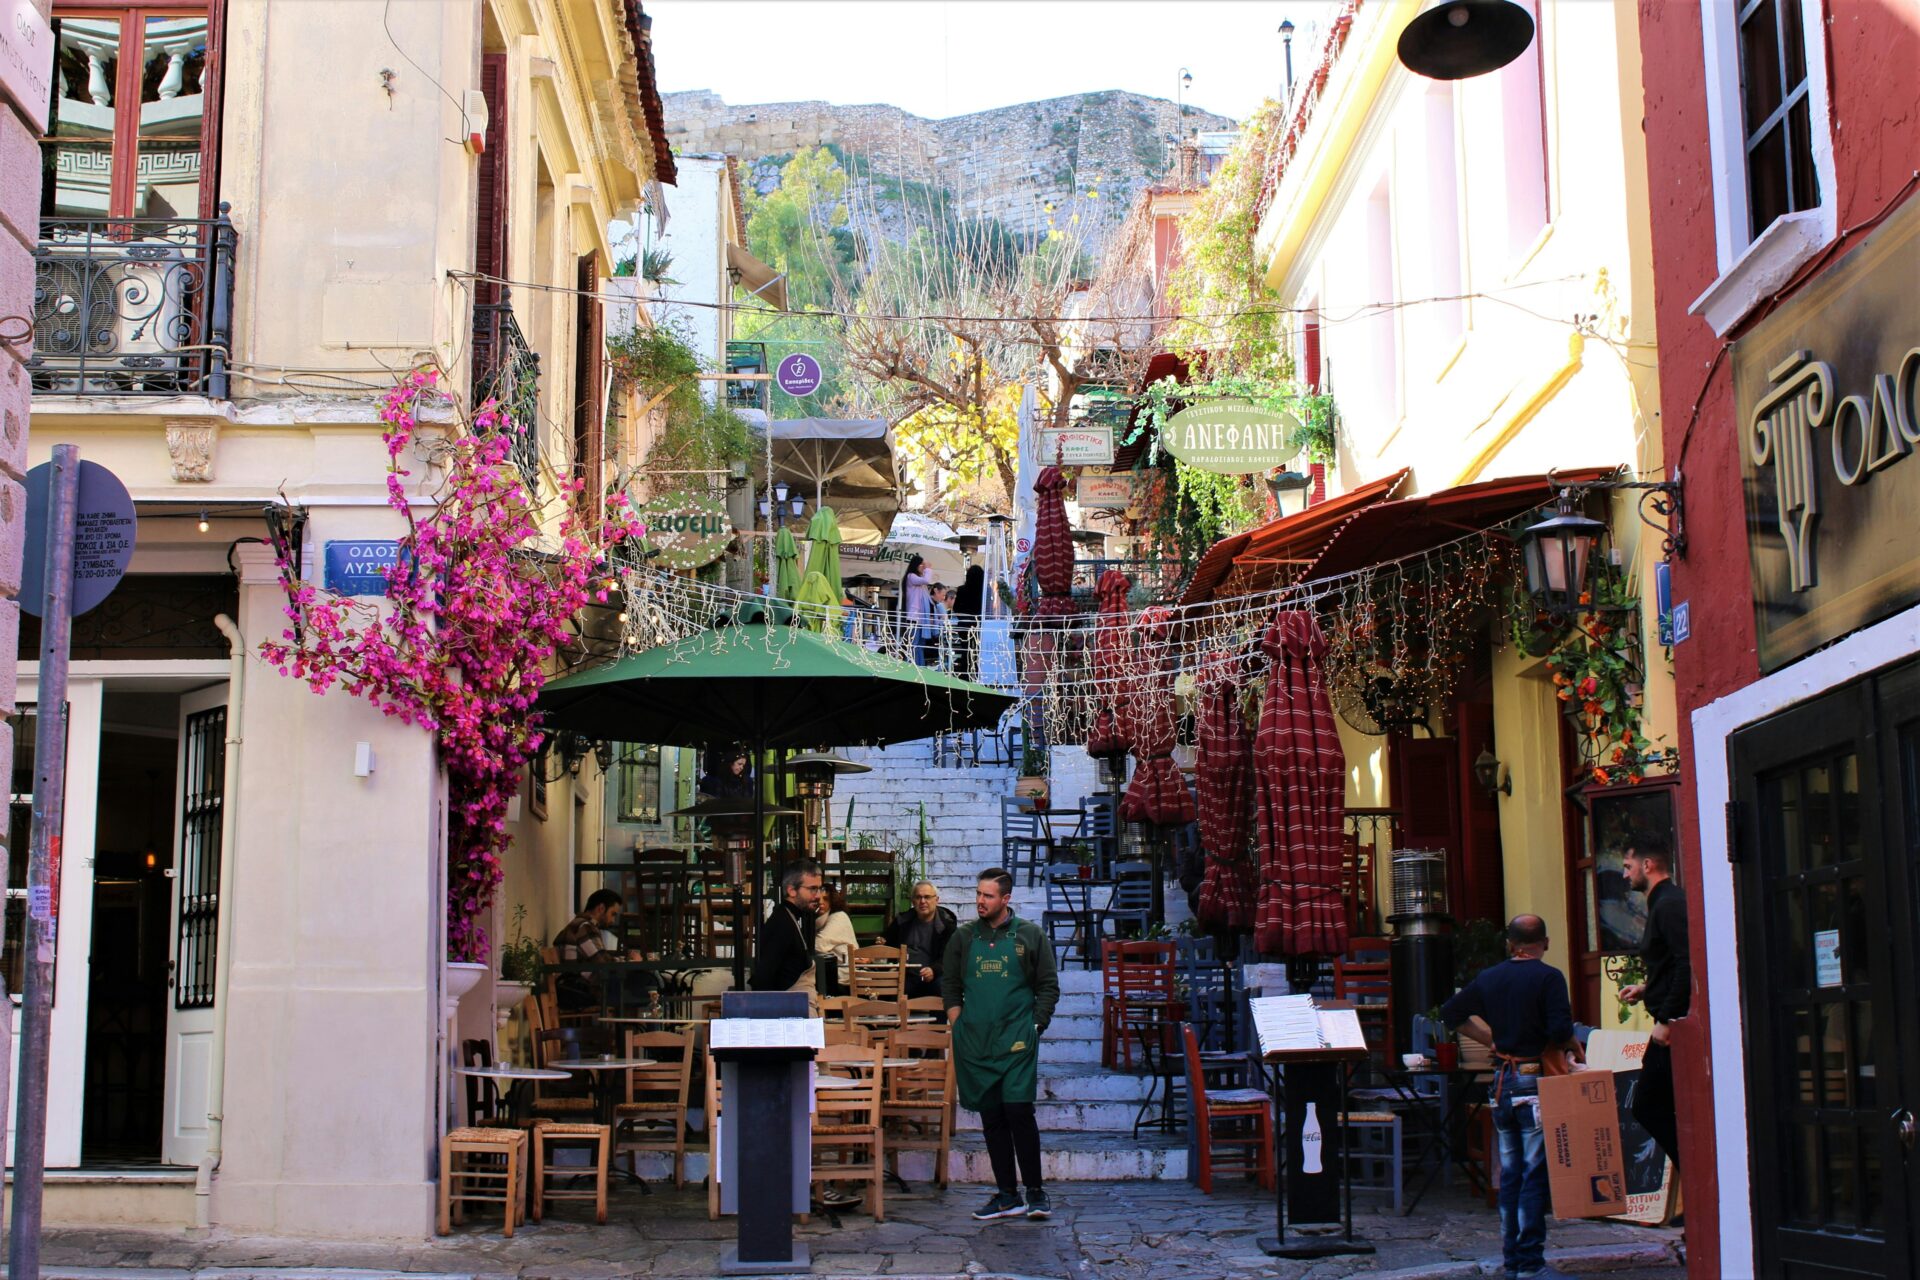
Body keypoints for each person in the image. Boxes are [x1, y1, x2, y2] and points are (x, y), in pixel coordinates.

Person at [1441, 915, 1581, 1280]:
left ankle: (1513, 1262)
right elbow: (1560, 1028)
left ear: (1509, 944)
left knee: (1511, 1175)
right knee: (1534, 1175)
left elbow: (1451, 1013)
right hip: (1534, 1081)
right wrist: (1568, 1044)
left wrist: (1491, 1041)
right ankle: (1531, 1264)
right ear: (1545, 943)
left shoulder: (1490, 977)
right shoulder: (1549, 977)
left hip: (1503, 1081)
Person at [943, 868, 1060, 1222]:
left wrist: (1036, 1024)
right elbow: (949, 984)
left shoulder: (1030, 935)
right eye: (979, 894)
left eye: (988, 896)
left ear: (1005, 899)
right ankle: (1008, 1195)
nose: (980, 901)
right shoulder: (963, 938)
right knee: (991, 1118)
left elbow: (1047, 986)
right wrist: (957, 1023)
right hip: (976, 1043)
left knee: (1019, 1112)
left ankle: (1036, 1192)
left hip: (1017, 1043)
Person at [1618, 828, 1689, 1172]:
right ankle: (1693, 1181)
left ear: (1647, 865)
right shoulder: (1664, 903)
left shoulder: (1669, 904)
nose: (1624, 873)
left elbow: (1688, 962)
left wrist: (1665, 1020)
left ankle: (1694, 1173)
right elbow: (1672, 962)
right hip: (1668, 1020)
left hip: (1672, 1027)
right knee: (1660, 1104)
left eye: (1628, 865)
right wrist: (1646, 988)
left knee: (1648, 1104)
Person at [552, 889, 637, 1011]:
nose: (613, 920)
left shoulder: (580, 925)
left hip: (573, 987)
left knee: (636, 987)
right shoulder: (585, 927)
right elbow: (602, 962)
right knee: (642, 987)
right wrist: (631, 961)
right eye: (613, 914)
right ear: (601, 908)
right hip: (579, 990)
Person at [750, 859, 824, 997]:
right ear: (792, 890)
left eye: (820, 888)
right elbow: (764, 977)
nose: (819, 896)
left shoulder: (791, 918)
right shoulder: (782, 924)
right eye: (813, 889)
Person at [883, 881, 958, 998]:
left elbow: (950, 956)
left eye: (927, 897)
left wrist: (934, 970)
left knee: (944, 988)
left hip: (934, 976)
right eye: (918, 897)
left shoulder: (947, 925)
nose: (923, 901)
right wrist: (880, 944)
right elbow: (885, 943)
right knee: (886, 990)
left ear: (937, 900)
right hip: (906, 977)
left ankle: (939, 1017)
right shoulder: (902, 921)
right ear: (913, 901)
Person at [813, 880, 859, 994]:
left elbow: (818, 945)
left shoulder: (838, 917)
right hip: (839, 975)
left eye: (826, 899)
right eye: (818, 899)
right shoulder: (823, 920)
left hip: (845, 979)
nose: (821, 902)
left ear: (833, 901)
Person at [952, 565, 985, 681]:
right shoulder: (985, 591)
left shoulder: (961, 589)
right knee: (977, 649)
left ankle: (965, 673)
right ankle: (977, 672)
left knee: (965, 649)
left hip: (964, 625)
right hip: (979, 625)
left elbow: (956, 608)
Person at [902, 554, 933, 666]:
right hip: (914, 617)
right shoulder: (911, 577)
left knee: (919, 645)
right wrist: (928, 569)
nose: (923, 567)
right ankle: (910, 666)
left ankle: (920, 666)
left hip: (920, 618)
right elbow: (927, 580)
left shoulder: (918, 580)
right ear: (916, 565)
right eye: (922, 565)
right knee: (913, 644)